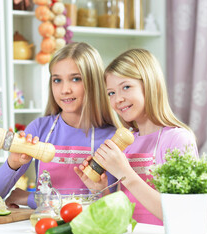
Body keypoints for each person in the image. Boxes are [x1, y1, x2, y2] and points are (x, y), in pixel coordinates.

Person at [0, 42, 119, 209]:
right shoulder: (39, 129)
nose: (64, 90)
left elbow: (108, 206)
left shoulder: (111, 139)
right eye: (57, 80)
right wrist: (13, 162)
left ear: (93, 83)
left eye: (75, 79)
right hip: (42, 229)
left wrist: (31, 198)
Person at [77, 49, 199, 225]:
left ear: (150, 84)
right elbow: (118, 217)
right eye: (111, 93)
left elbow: (182, 216)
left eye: (126, 87)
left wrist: (125, 173)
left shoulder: (178, 139)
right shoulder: (127, 143)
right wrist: (101, 190)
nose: (118, 99)